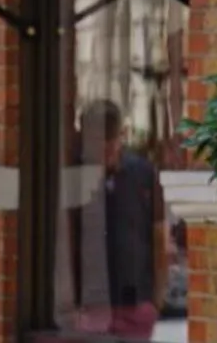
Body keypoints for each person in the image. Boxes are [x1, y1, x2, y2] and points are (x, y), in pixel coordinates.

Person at [75, 100, 164, 339]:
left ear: (120, 137)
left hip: (135, 303)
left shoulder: (143, 173)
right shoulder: (75, 176)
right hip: (89, 306)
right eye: (95, 144)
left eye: (108, 143)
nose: (102, 152)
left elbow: (158, 236)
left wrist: (157, 298)